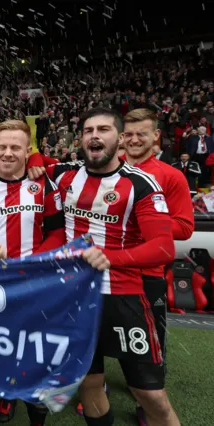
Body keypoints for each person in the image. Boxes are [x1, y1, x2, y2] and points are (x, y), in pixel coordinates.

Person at [31, 107, 179, 426]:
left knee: (150, 394)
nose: (94, 135)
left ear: (120, 138)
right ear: (81, 139)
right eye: (88, 130)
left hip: (122, 296)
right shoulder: (64, 174)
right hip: (74, 298)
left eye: (103, 129)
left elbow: (164, 246)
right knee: (90, 384)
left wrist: (112, 258)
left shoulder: (141, 184)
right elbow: (17, 159)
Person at [0, 121, 65, 426]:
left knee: (35, 361)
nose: (7, 153)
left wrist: (33, 262)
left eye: (15, 147)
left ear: (28, 150)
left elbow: (57, 232)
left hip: (35, 286)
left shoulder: (44, 183)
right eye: (1, 146)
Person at [120, 108, 194, 424]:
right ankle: (98, 392)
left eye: (142, 133)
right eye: (129, 133)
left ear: (155, 137)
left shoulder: (170, 175)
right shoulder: (108, 172)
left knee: (150, 350)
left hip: (146, 275)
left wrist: (147, 220)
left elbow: (185, 227)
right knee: (101, 338)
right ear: (121, 137)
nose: (135, 139)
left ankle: (147, 406)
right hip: (107, 273)